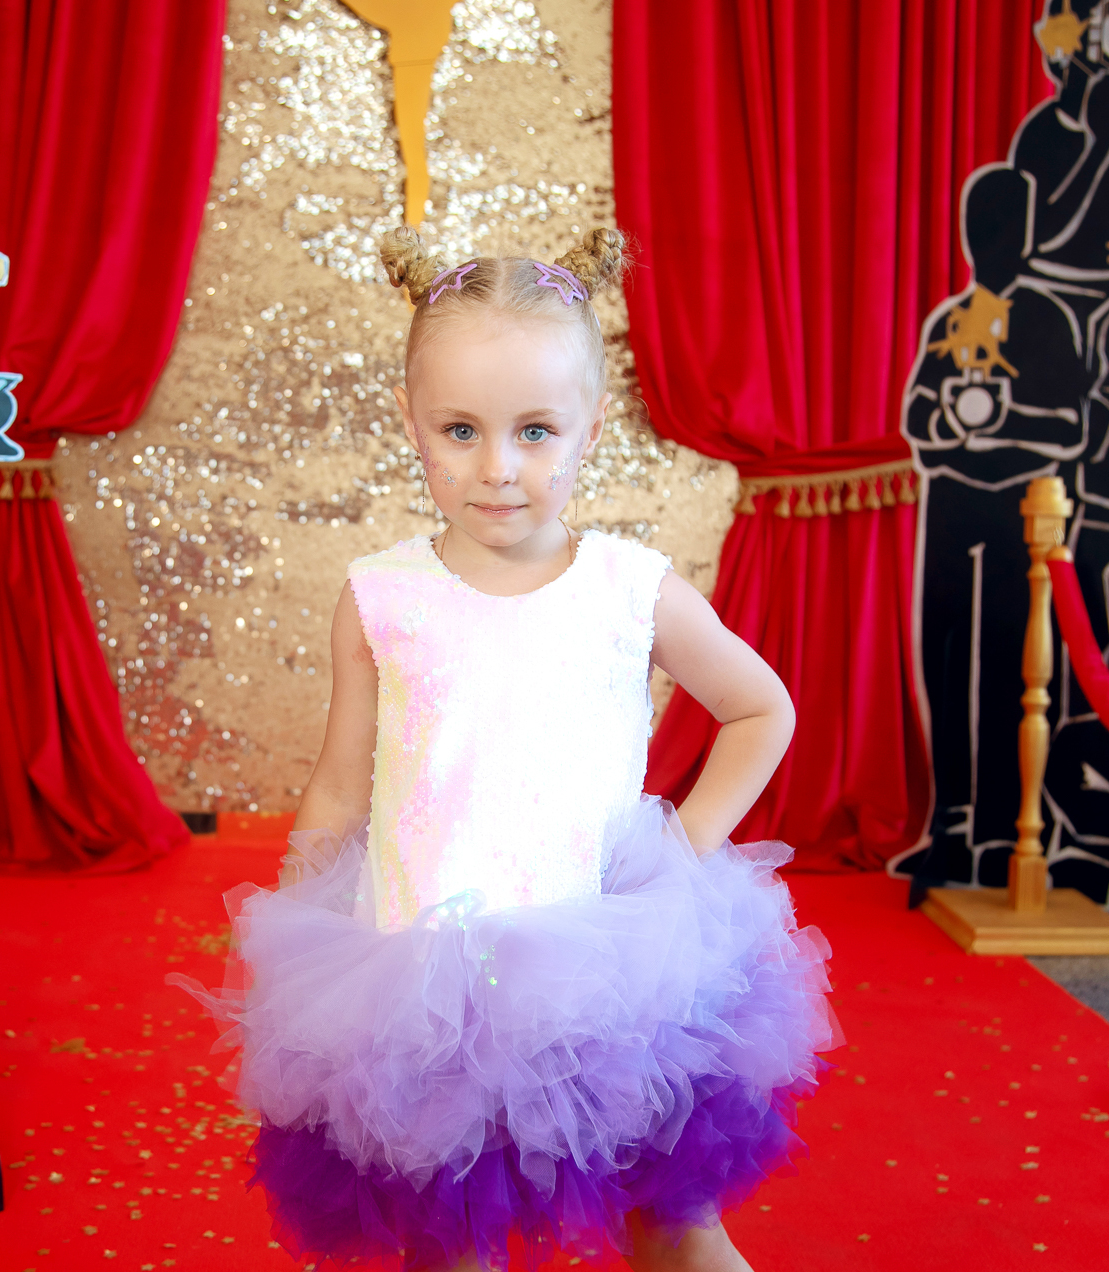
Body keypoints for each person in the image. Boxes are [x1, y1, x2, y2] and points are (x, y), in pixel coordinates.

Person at [179, 227, 840, 1272]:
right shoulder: (381, 597)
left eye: (536, 431)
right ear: (412, 423)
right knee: (452, 1236)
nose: (498, 468)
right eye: (461, 430)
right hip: (423, 983)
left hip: (610, 978)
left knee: (675, 1223)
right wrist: (300, 949)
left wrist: (686, 848)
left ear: (592, 426)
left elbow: (762, 709)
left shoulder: (630, 588)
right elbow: (341, 784)